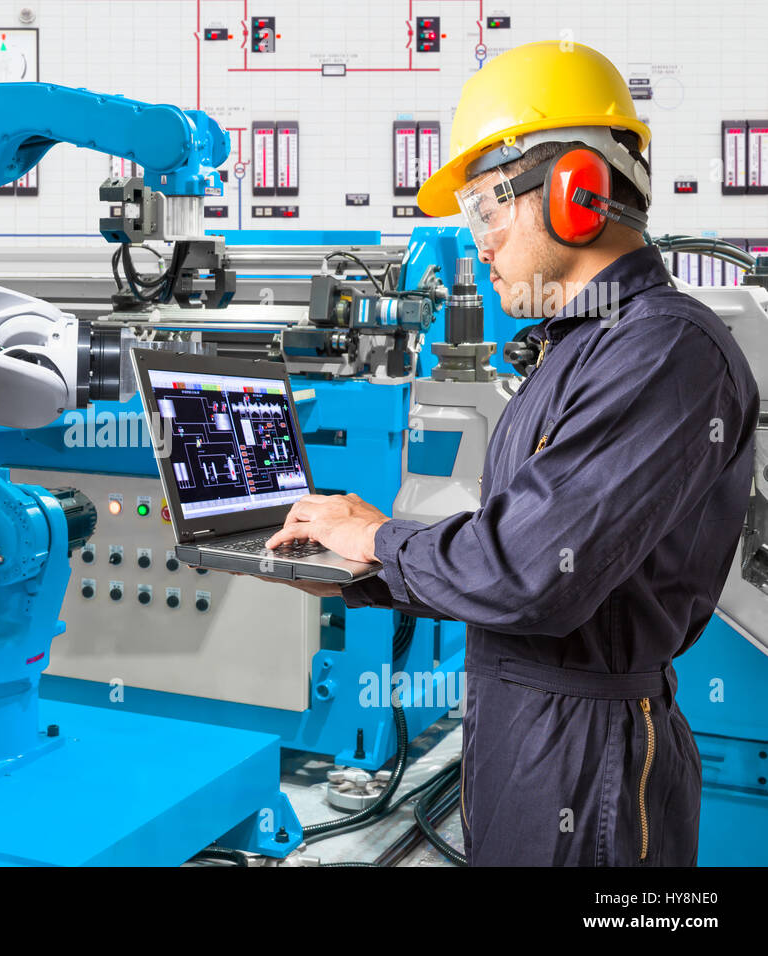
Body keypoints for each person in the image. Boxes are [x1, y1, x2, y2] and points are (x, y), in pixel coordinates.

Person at [263, 41, 758, 865]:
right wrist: (361, 563)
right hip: (528, 732)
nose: (480, 243)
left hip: (589, 758)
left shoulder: (665, 348)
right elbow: (521, 554)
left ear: (575, 192)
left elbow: (530, 574)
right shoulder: (578, 346)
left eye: (488, 209)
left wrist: (379, 538)